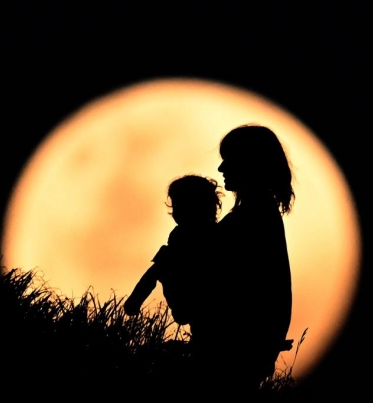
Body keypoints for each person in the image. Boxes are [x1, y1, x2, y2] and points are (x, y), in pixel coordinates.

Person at [189, 124, 295, 395]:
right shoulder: (258, 216)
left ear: (251, 164)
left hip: (234, 354)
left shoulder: (252, 220)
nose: (222, 169)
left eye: (229, 160)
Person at [123, 174, 223, 325]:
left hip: (206, 301)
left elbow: (156, 270)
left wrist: (135, 301)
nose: (179, 211)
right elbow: (155, 270)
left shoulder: (212, 235)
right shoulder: (180, 234)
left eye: (186, 205)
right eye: (177, 206)